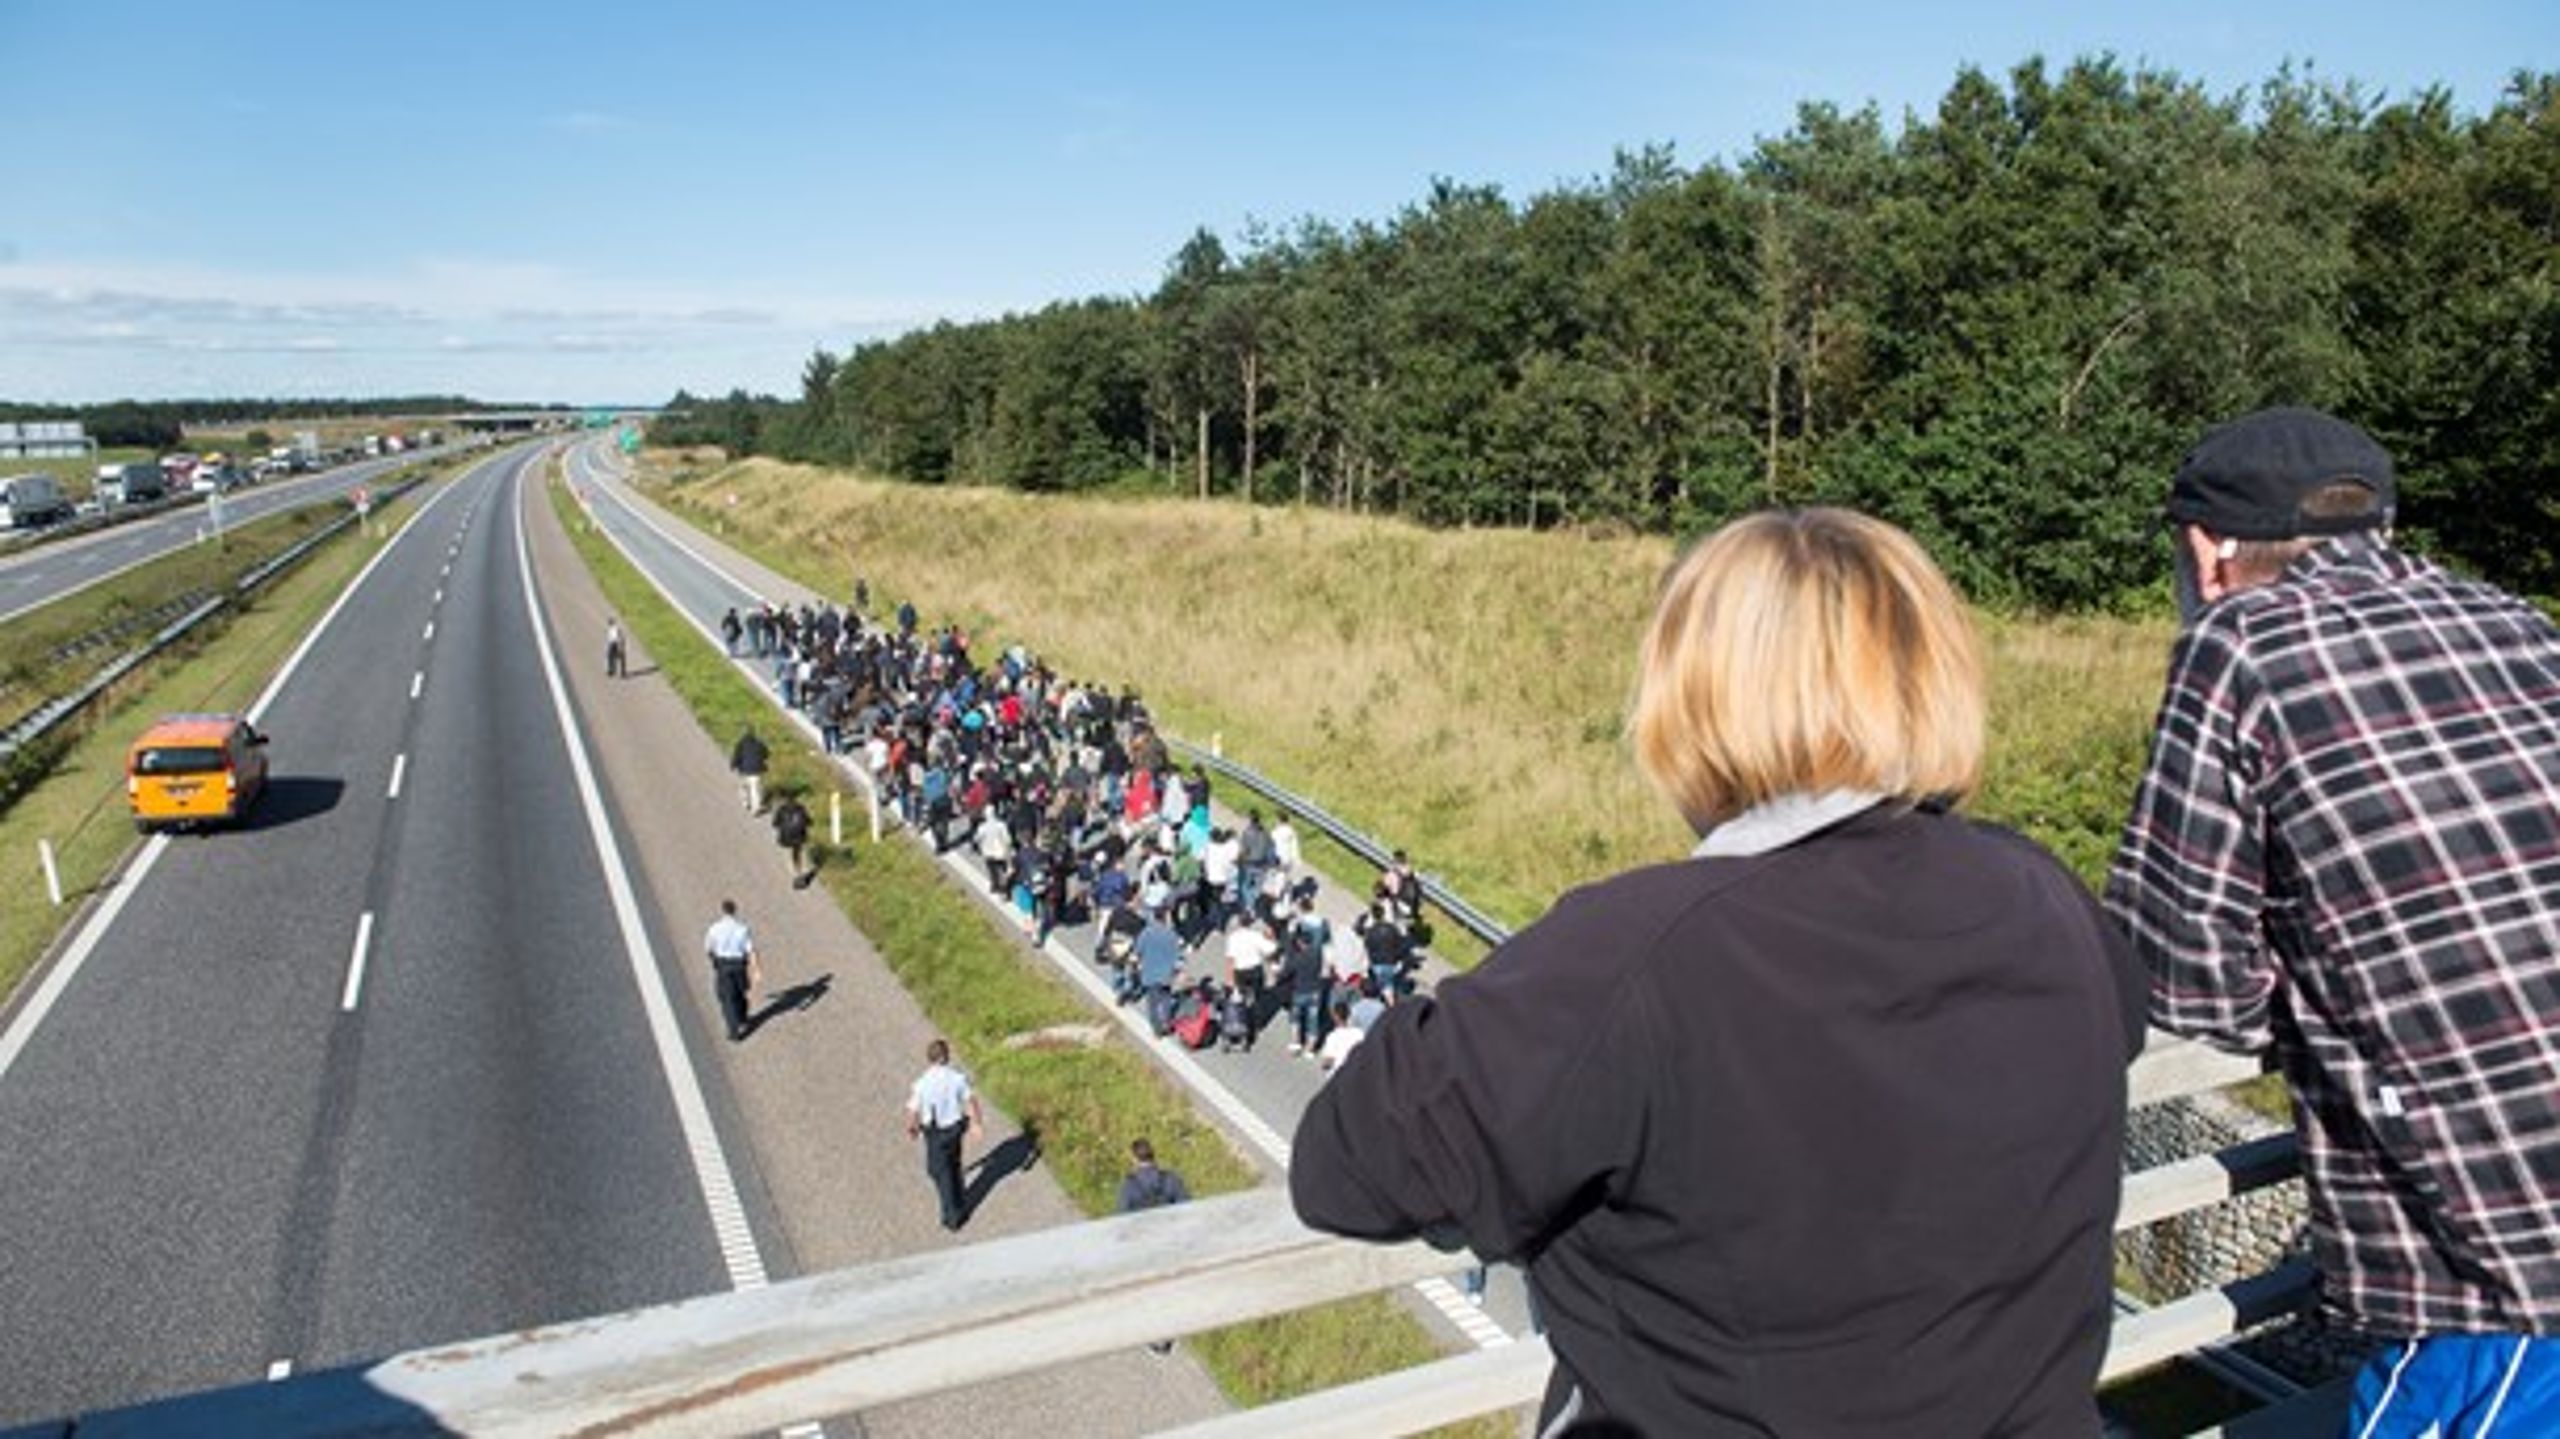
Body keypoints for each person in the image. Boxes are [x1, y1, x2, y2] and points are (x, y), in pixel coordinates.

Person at [1291, 507, 2143, 1436]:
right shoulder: (2045, 894)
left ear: (1694, 698)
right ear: (1929, 678)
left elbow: (1348, 1164)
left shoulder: (1641, 952)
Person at [2105, 407, 2560, 1431]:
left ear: (2205, 551)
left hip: (2510, 1272)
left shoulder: (2236, 645)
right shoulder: (2516, 620)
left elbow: (2184, 980)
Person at [904, 1038, 985, 1231]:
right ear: (945, 1056)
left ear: (930, 1058)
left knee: (938, 1171)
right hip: (955, 1128)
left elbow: (912, 1109)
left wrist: (912, 1128)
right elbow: (970, 1100)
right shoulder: (956, 1078)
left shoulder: (922, 1083)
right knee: (954, 1163)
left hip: (935, 1132)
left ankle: (953, 1217)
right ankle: (960, 1201)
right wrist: (975, 1124)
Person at [703, 898, 759, 1043]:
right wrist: (756, 969)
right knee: (740, 993)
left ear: (722, 911)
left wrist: (714, 961)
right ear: (735, 911)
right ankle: (742, 1016)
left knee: (727, 998)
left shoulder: (714, 928)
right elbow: (751, 950)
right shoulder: (742, 928)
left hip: (723, 965)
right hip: (740, 965)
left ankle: (734, 1030)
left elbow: (708, 948)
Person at [772, 792, 813, 884]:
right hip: (799, 837)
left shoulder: (781, 809)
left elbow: (775, 824)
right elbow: (809, 822)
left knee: (789, 856)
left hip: (785, 839)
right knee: (799, 854)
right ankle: (801, 873)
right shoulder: (801, 808)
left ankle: (795, 875)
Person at [730, 726, 769, 814]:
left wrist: (733, 766)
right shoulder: (759, 743)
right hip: (757, 770)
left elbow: (736, 756)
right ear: (753, 734)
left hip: (744, 770)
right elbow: (766, 754)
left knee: (743, 787)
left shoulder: (740, 744)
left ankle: (745, 802)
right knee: (755, 789)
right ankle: (755, 808)